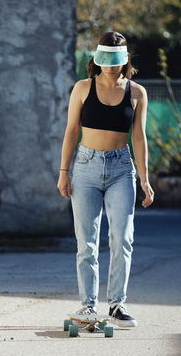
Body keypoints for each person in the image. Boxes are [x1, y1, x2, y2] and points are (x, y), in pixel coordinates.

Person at [57, 31, 154, 328]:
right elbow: (72, 129)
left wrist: (145, 179)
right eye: (106, 60)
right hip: (85, 167)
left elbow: (138, 136)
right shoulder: (83, 88)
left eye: (116, 60)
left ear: (124, 60)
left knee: (122, 238)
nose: (111, 66)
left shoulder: (136, 92)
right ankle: (88, 306)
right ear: (97, 60)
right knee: (86, 242)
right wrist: (64, 171)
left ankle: (116, 304)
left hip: (121, 169)